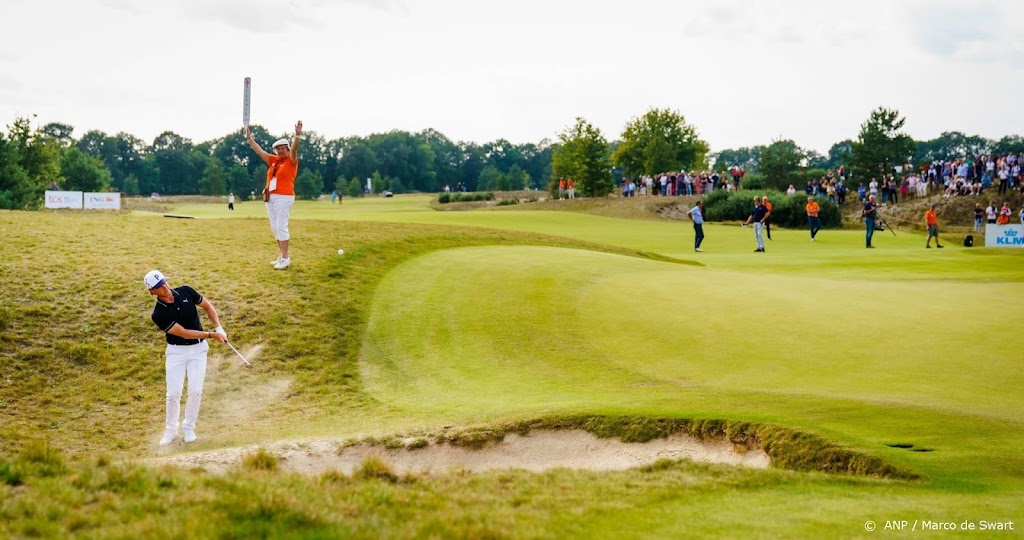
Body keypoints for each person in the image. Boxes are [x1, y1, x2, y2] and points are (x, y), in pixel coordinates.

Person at [145, 270, 227, 446]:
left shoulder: (186, 291)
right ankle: (171, 431)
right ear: (152, 291)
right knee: (173, 393)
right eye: (159, 286)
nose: (165, 287)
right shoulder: (158, 314)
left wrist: (218, 328)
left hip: (198, 350)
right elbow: (183, 333)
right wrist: (212, 335)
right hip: (176, 352)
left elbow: (207, 306)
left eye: (165, 282)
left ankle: (189, 428)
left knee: (195, 390)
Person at [244, 121, 303, 270]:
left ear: (287, 149)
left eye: (283, 148)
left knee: (281, 226)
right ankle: (282, 255)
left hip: (284, 196)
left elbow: (295, 149)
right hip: (271, 197)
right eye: (278, 149)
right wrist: (250, 139)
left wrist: (296, 135)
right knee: (275, 228)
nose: (280, 151)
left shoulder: (291, 160)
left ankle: (285, 258)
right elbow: (259, 151)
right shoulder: (273, 161)